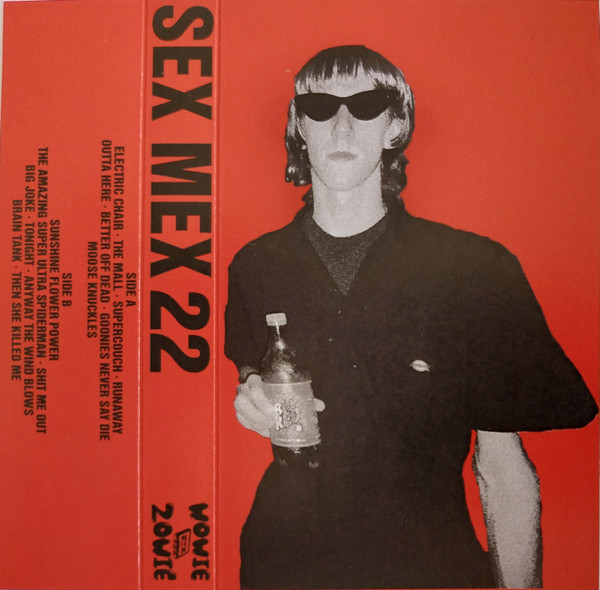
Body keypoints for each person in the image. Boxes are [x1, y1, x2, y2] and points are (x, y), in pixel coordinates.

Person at [224, 45, 598, 589]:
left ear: (395, 126)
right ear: (300, 126)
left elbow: (500, 469)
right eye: (321, 107)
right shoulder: (256, 265)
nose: (343, 127)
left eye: (367, 105)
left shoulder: (474, 268)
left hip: (427, 563)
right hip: (287, 563)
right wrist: (252, 398)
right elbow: (255, 376)